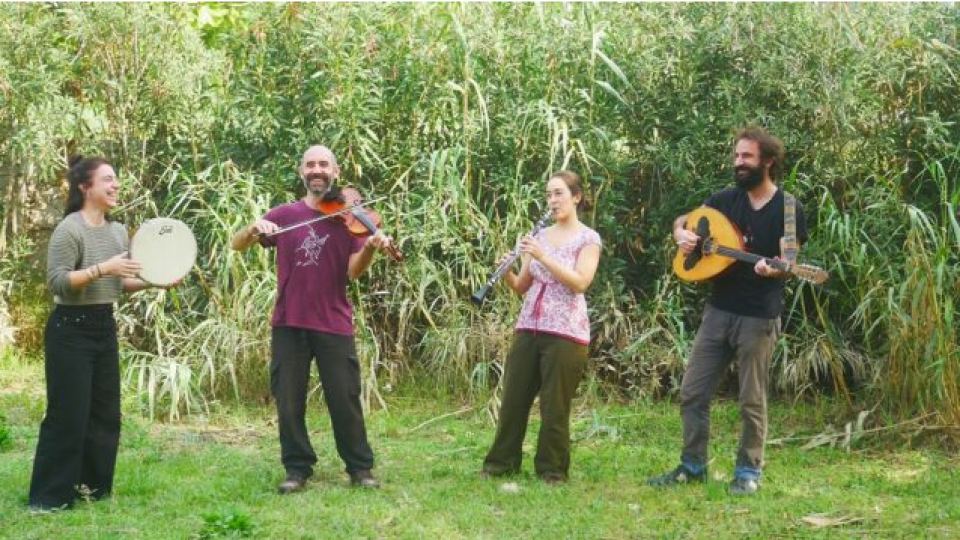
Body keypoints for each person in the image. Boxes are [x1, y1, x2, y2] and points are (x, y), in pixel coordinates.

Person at [648, 126, 808, 495]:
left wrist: (776, 267)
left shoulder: (787, 208)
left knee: (751, 398)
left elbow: (790, 259)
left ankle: (748, 472)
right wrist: (681, 235)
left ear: (767, 161)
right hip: (718, 310)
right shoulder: (722, 201)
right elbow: (684, 221)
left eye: (747, 156)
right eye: (737, 156)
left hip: (758, 315)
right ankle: (692, 466)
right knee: (692, 390)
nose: (739, 162)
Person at [231, 145, 393, 494]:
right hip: (289, 322)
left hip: (333, 321)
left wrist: (368, 248)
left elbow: (352, 273)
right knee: (289, 400)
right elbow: (237, 245)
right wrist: (251, 228)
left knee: (344, 397)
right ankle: (297, 468)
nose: (316, 169)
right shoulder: (285, 214)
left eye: (323, 164)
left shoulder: (350, 220)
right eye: (310, 164)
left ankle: (360, 468)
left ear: (335, 172)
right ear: (301, 171)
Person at [29, 156, 168, 511]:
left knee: (105, 414)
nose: (116, 185)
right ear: (84, 187)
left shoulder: (118, 231)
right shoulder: (69, 229)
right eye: (107, 179)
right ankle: (49, 498)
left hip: (103, 326)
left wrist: (156, 281)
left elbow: (118, 285)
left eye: (116, 179)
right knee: (68, 415)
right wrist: (103, 267)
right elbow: (59, 282)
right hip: (69, 330)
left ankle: (92, 489)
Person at [481, 170, 602, 484]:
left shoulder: (588, 238)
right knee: (513, 400)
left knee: (554, 407)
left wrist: (543, 256)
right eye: (549, 194)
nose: (552, 201)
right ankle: (500, 464)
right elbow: (522, 286)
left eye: (559, 193)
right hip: (529, 327)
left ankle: (552, 470)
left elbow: (580, 282)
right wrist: (505, 270)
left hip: (566, 332)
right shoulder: (540, 236)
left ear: (576, 197)